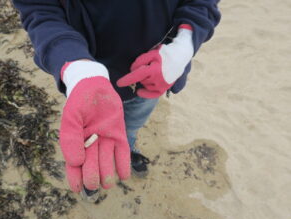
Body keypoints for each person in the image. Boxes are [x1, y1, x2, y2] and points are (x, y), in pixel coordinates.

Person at [13, 0, 221, 200]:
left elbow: (202, 2)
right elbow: (38, 7)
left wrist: (182, 46)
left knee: (132, 125)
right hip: (88, 77)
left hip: (154, 75)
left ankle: (128, 147)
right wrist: (76, 67)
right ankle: (91, 175)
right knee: (92, 136)